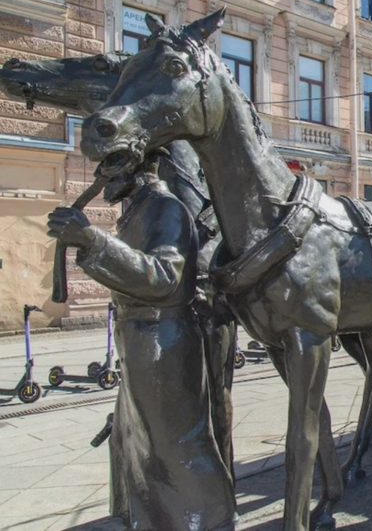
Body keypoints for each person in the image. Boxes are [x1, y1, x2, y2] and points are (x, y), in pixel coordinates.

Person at [46, 153, 235, 531]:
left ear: (136, 166)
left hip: (162, 340)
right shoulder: (139, 210)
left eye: (108, 166)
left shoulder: (166, 208)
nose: (101, 176)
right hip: (141, 339)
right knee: (142, 440)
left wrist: (90, 238)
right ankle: (152, 518)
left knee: (175, 444)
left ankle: (205, 520)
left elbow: (165, 277)